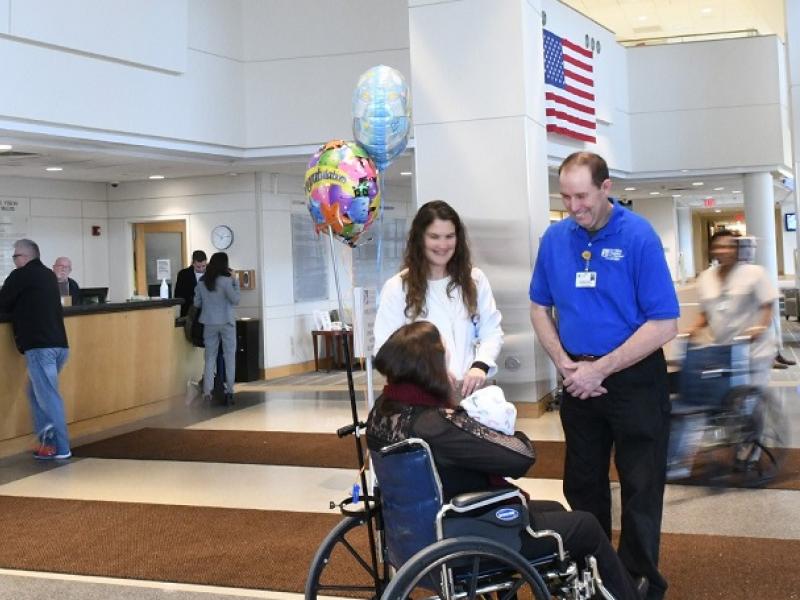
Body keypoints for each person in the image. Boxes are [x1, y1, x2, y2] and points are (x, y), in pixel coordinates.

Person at [366, 321, 642, 600]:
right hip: (467, 534)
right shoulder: (435, 425)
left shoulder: (383, 413)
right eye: (446, 362)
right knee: (586, 526)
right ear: (430, 369)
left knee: (555, 507)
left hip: (414, 536)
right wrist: (500, 424)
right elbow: (519, 457)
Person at [529, 152, 678, 600]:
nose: (574, 206)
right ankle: (589, 573)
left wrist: (602, 368)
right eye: (566, 196)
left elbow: (665, 323)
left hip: (635, 380)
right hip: (578, 378)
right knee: (583, 482)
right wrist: (564, 362)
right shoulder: (555, 239)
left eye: (582, 196)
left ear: (606, 187)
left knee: (641, 485)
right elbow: (539, 306)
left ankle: (638, 580)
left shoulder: (638, 237)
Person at [668, 230, 778, 477]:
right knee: (726, 401)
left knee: (749, 402)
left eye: (729, 246)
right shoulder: (706, 277)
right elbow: (706, 313)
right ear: (712, 250)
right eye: (718, 246)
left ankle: (750, 452)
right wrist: (690, 331)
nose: (723, 251)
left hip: (754, 349)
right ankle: (691, 453)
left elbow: (767, 307)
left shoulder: (754, 273)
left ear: (737, 249)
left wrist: (759, 328)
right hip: (724, 349)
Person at [374, 200, 503, 398]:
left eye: (449, 236)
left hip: (469, 393)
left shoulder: (475, 280)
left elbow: (491, 330)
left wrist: (480, 366)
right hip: (423, 396)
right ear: (420, 238)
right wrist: (431, 374)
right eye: (434, 237)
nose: (443, 245)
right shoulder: (397, 287)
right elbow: (385, 352)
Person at [0, 239, 71, 460]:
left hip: (40, 348)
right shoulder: (48, 275)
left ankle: (61, 447)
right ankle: (47, 442)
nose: (14, 261)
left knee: (48, 396)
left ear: (26, 257)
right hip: (59, 346)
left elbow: (2, 302)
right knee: (35, 392)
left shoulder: (21, 276)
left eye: (15, 257)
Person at [194, 252, 239, 403]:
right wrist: (235, 281)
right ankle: (230, 390)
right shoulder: (227, 281)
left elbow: (197, 303)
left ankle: (207, 393)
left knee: (209, 358)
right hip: (227, 322)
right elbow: (235, 300)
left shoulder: (202, 281)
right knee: (229, 357)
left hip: (209, 323)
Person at [175, 250, 208, 317]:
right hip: (189, 312)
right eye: (198, 267)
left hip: (207, 313)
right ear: (193, 263)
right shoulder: (183, 274)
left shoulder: (210, 274)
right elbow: (177, 294)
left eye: (204, 266)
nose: (201, 269)